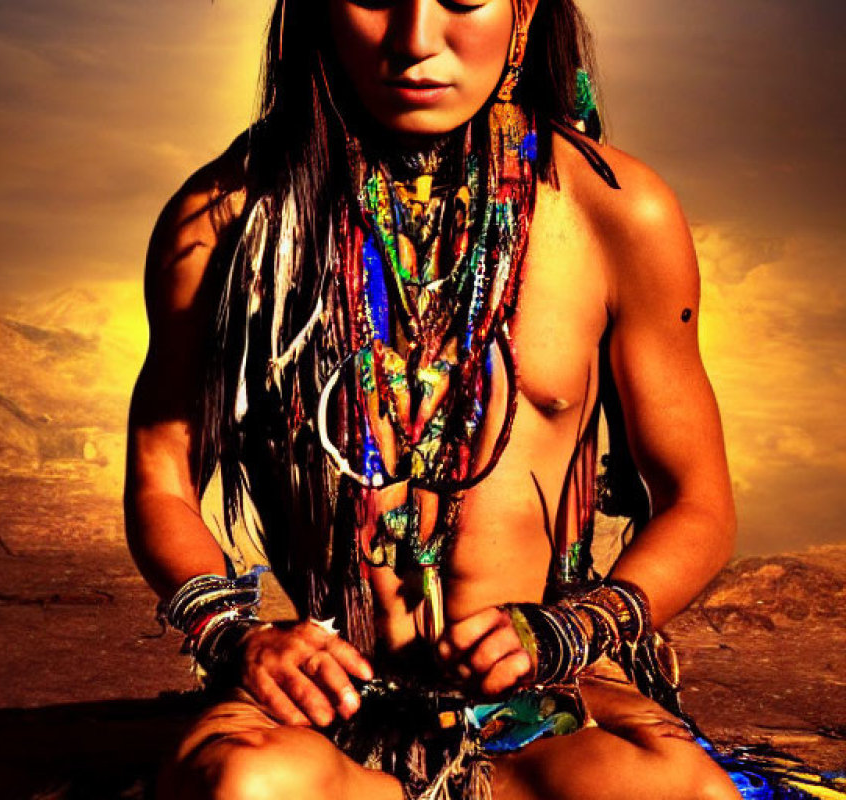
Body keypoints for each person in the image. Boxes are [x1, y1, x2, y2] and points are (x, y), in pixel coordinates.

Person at [125, 1, 742, 798]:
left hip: (537, 706)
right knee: (245, 788)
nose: (415, 41)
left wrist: (571, 630)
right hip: (321, 706)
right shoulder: (225, 223)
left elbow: (699, 502)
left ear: (523, 7)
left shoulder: (619, 212)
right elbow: (160, 476)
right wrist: (236, 639)